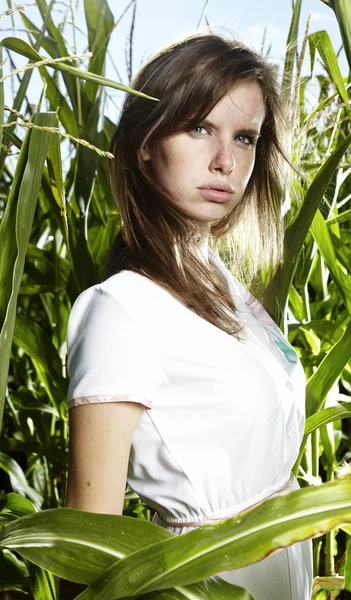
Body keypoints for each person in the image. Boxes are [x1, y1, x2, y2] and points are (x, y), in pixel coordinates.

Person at [64, 30, 313, 599]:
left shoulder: (221, 281)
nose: (226, 161)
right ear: (146, 142)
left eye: (245, 137)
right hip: (208, 581)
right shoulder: (120, 311)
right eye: (199, 128)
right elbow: (81, 545)